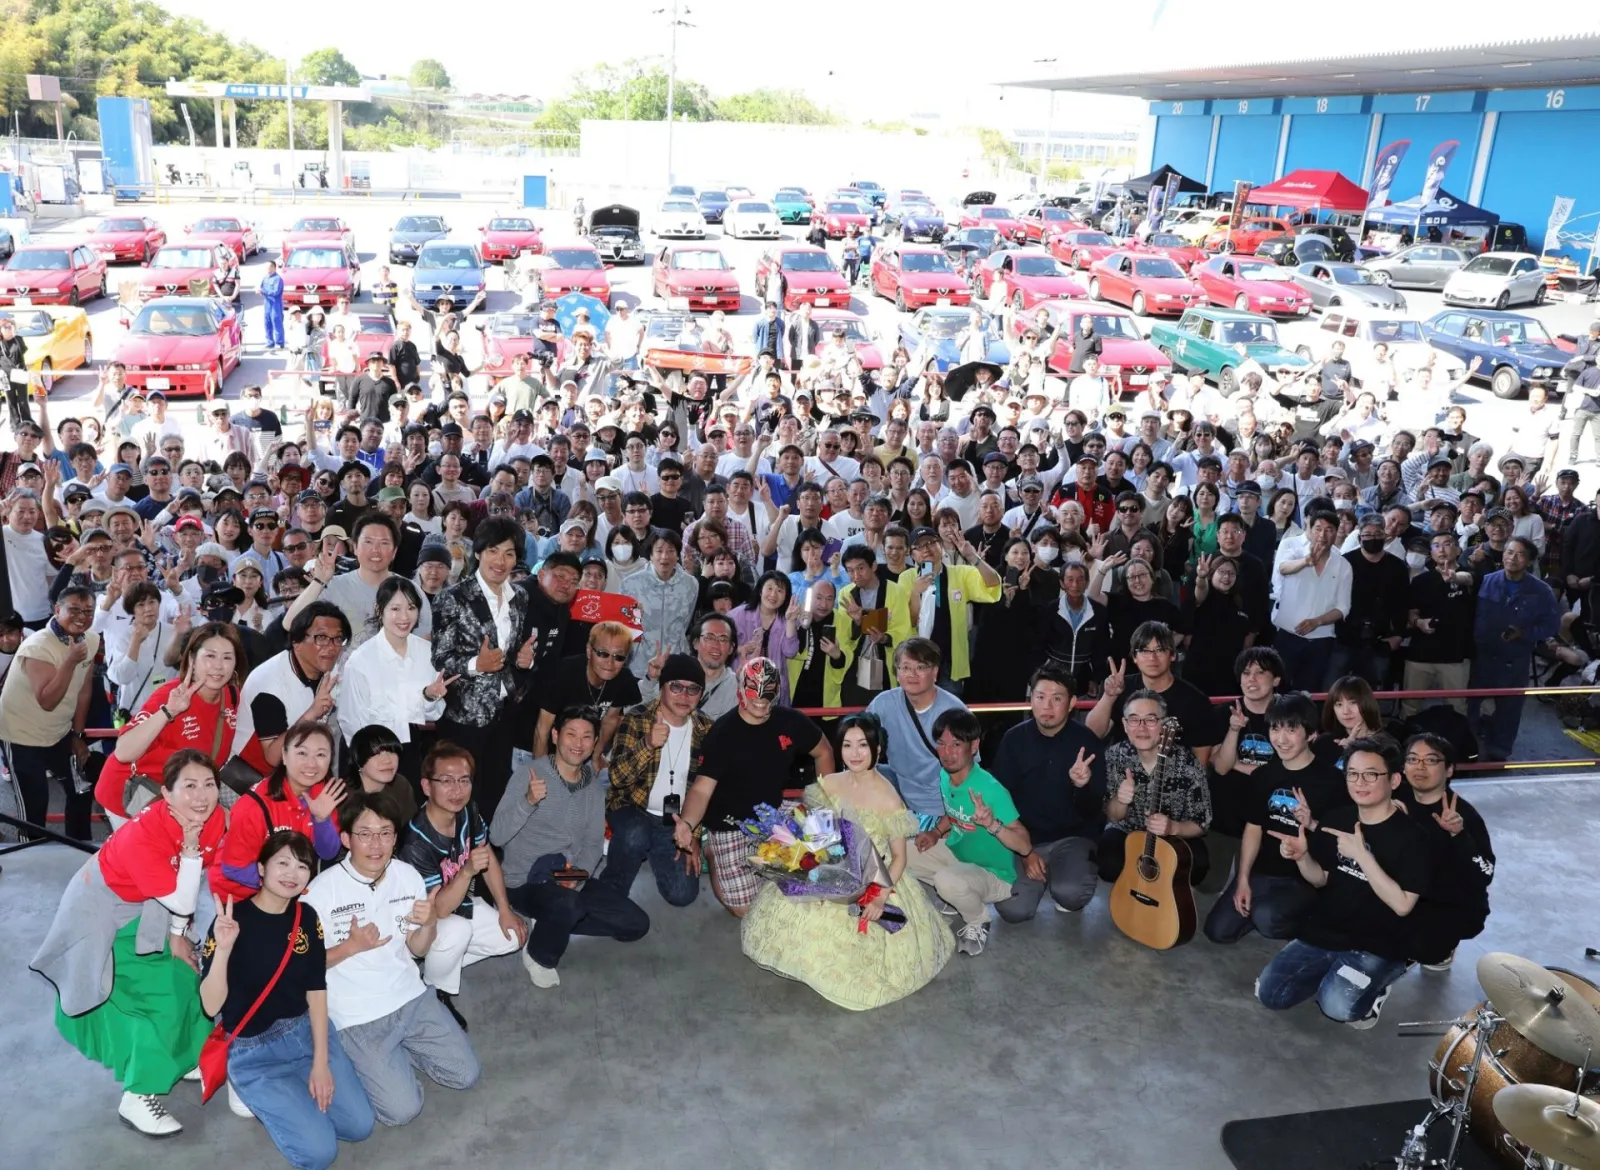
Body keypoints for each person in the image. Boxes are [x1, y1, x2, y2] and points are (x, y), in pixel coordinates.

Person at [30, 751, 223, 1137]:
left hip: (149, 905)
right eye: (189, 786)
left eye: (209, 785)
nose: (201, 796)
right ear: (166, 793)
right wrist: (189, 851)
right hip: (101, 915)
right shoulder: (143, 834)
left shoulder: (212, 818)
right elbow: (183, 898)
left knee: (183, 978)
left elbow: (190, 883)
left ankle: (185, 1057)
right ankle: (138, 1095)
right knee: (143, 1004)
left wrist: (178, 934)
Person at [739, 714, 955, 1008]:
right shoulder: (829, 783)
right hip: (831, 867)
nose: (855, 753)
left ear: (877, 749)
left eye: (863, 745)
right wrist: (814, 872)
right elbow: (818, 833)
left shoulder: (889, 798)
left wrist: (880, 896)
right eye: (847, 745)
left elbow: (899, 858)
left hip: (876, 878)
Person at [303, 787, 480, 1125]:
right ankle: (376, 1063)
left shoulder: (406, 876)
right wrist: (350, 947)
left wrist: (429, 922)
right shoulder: (319, 893)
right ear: (345, 839)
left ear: (395, 838)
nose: (376, 844)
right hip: (358, 1017)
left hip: (411, 998)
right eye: (365, 834)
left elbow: (418, 949)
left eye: (385, 833)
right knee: (401, 1111)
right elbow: (302, 966)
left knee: (465, 1074)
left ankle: (396, 1058)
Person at [200, 829, 375, 1165]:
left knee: (359, 1126)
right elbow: (210, 1006)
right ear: (261, 868)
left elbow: (316, 988)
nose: (291, 874)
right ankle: (265, 1095)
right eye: (282, 863)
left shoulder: (306, 917)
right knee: (320, 1153)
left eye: (302, 866)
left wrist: (320, 1063)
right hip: (255, 1055)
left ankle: (297, 1100)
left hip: (303, 1033)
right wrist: (222, 950)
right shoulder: (232, 922)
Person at [1254, 737, 1431, 1028]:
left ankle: (1379, 983)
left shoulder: (1414, 838)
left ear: (1394, 780)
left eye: (1371, 774)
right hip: (1328, 929)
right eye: (1352, 774)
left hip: (1379, 944)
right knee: (1269, 993)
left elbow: (1402, 905)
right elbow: (1321, 879)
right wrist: (1302, 857)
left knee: (1336, 1006)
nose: (1360, 782)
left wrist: (1362, 855)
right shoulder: (1337, 819)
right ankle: (1336, 973)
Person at [492, 707, 650, 988]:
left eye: (587, 737)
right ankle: (540, 954)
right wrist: (528, 802)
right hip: (524, 880)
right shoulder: (529, 774)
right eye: (571, 734)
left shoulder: (593, 788)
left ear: (595, 742)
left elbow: (593, 844)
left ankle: (553, 919)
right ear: (555, 736)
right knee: (568, 904)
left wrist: (576, 877)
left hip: (564, 874)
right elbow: (496, 835)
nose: (578, 743)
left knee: (635, 924)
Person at [672, 658, 834, 917]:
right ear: (740, 689)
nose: (760, 698)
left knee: (826, 858)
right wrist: (687, 824)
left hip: (772, 811)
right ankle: (713, 851)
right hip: (729, 822)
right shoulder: (722, 734)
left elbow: (823, 751)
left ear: (777, 690)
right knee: (745, 910)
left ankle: (764, 863)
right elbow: (702, 789)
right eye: (753, 689)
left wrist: (825, 804)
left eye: (767, 690)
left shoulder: (791, 721)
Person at [397, 741, 524, 1026]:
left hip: (456, 902)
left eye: (464, 780)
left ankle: (433, 968)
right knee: (457, 930)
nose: (457, 790)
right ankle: (434, 991)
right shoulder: (415, 842)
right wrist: (466, 872)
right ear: (426, 786)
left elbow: (486, 855)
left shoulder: (467, 810)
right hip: (417, 922)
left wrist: (504, 908)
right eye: (446, 781)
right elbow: (439, 910)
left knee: (513, 937)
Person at [1204, 694, 1346, 945]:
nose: (1281, 739)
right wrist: (1243, 880)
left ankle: (1305, 917)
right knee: (1218, 931)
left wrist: (1312, 824)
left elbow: (1339, 841)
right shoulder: (1264, 775)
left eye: (1291, 730)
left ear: (1311, 734)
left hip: (1305, 879)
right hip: (1264, 872)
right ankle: (1262, 909)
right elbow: (1253, 828)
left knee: (1267, 918)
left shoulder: (1331, 781)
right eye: (1275, 729)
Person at [429, 517, 539, 818]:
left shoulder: (520, 597)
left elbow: (512, 648)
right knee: (461, 795)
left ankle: (490, 843)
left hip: (505, 712)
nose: (500, 561)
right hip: (464, 717)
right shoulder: (452, 598)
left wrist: (524, 660)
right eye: (493, 551)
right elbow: (439, 658)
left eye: (509, 553)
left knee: (497, 792)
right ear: (477, 552)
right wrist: (476, 664)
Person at [905, 708, 1031, 957]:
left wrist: (992, 824)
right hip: (958, 854)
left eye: (956, 744)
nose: (947, 753)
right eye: (941, 744)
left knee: (946, 881)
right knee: (900, 852)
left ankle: (978, 920)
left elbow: (1025, 845)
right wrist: (936, 832)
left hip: (994, 874)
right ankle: (958, 896)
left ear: (974, 746)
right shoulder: (946, 774)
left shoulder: (990, 789)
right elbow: (954, 813)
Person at [95, 621, 243, 829]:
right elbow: (123, 752)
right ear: (191, 659)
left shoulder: (232, 696)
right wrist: (169, 711)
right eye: (210, 656)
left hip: (181, 800)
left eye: (227, 657)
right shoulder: (171, 695)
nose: (219, 666)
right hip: (136, 795)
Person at [989, 666, 1107, 920]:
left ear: (1072, 703)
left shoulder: (1087, 742)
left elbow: (1095, 810)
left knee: (1071, 894)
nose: (1047, 706)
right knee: (1013, 910)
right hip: (1026, 837)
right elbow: (999, 800)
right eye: (1040, 697)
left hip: (1073, 837)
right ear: (1031, 699)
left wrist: (1081, 786)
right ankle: (1042, 874)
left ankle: (1065, 874)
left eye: (1057, 698)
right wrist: (1024, 851)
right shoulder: (1013, 739)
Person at [600, 654, 714, 908]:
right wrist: (648, 744)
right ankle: (611, 887)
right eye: (676, 686)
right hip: (633, 808)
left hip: (676, 820)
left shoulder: (706, 729)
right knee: (635, 834)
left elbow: (706, 790)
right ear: (662, 687)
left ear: (701, 694)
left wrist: (693, 833)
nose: (684, 696)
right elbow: (616, 778)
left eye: (693, 689)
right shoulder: (637, 718)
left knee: (683, 894)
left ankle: (653, 849)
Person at [0, 585, 101, 840]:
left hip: (59, 732)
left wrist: (78, 735)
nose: (82, 617)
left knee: (81, 789)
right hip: (21, 735)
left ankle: (78, 847)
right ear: (57, 610)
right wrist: (70, 661)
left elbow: (84, 691)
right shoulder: (38, 646)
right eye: (74, 610)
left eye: (88, 611)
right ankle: (30, 856)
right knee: (34, 806)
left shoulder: (91, 639)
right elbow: (47, 701)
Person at [212, 721, 347, 904]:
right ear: (284, 755)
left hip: (285, 894)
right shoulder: (253, 806)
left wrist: (321, 820)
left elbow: (327, 853)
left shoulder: (323, 795)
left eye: (321, 755)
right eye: (302, 753)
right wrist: (288, 881)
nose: (311, 763)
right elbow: (233, 868)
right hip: (233, 897)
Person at [335, 577, 450, 772]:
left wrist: (429, 697)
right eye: (395, 609)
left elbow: (432, 713)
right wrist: (367, 762)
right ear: (380, 610)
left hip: (412, 746)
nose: (404, 617)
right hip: (371, 750)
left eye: (411, 608)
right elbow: (350, 720)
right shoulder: (361, 660)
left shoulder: (426, 652)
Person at [1400, 734, 1495, 971]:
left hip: (1445, 902)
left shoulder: (1463, 815)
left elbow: (1485, 873)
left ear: (1449, 769)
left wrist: (1459, 835)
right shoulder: (1395, 800)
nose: (1420, 767)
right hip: (1403, 892)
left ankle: (1442, 947)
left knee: (1427, 952)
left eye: (1431, 760)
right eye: (1413, 759)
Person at [1099, 689, 1212, 885]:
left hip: (1172, 834)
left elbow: (1202, 823)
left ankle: (1166, 889)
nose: (1142, 728)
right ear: (1124, 725)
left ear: (1164, 724)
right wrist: (1121, 800)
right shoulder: (1114, 756)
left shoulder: (1188, 764)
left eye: (1151, 720)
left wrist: (1173, 827)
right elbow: (1113, 816)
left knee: (1198, 864)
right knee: (1108, 863)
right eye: (1134, 719)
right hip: (1127, 831)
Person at [1471, 537, 1560, 762]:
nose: (1513, 558)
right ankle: (1468, 746)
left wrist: (1524, 632)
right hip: (1481, 655)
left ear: (1529, 561)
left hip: (1514, 659)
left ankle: (1499, 751)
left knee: (1509, 708)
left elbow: (1551, 625)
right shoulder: (1485, 581)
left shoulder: (1541, 591)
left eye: (1520, 554)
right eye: (1509, 552)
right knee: (1470, 704)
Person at [864, 638, 968, 821]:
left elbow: (968, 770)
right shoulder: (883, 703)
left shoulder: (954, 711)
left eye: (921, 667)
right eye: (905, 667)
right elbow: (860, 739)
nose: (912, 674)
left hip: (939, 802)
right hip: (897, 794)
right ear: (897, 673)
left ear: (935, 672)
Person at [532, 621, 641, 765]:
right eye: (603, 654)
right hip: (535, 747)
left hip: (579, 753)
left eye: (618, 657)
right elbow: (542, 730)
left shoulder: (623, 679)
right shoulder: (562, 674)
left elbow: (610, 720)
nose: (610, 663)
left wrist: (596, 756)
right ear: (589, 651)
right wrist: (541, 770)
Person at [1271, 511, 1352, 691]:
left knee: (1309, 692)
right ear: (1310, 529)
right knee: (1277, 690)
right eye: (1318, 529)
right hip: (1287, 635)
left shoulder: (1343, 565)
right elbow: (1283, 568)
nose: (1323, 535)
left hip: (1321, 640)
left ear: (1336, 532)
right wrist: (1305, 562)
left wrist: (1317, 621)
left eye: (1329, 530)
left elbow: (1343, 607)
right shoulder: (1292, 547)